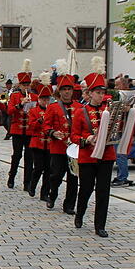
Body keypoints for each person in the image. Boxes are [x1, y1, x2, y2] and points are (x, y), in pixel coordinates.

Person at [71, 57, 116, 237]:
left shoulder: (110, 109)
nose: (100, 95)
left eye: (102, 91)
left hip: (106, 155)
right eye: (97, 92)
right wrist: (87, 138)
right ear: (89, 93)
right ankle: (80, 213)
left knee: (103, 192)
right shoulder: (81, 112)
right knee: (86, 188)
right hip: (88, 156)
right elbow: (73, 136)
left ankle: (100, 225)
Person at [43, 60, 79, 213]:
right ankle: (52, 195)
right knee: (56, 175)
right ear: (59, 91)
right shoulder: (53, 107)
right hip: (58, 147)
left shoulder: (80, 107)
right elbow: (46, 126)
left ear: (72, 90)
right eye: (64, 89)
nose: (66, 92)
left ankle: (69, 205)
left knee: (73, 178)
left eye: (69, 89)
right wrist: (53, 133)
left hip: (75, 148)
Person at [7, 60, 34, 191]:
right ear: (20, 85)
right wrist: (21, 104)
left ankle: (27, 182)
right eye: (24, 84)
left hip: (29, 131)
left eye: (28, 84)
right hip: (17, 130)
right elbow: (9, 111)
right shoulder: (14, 96)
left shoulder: (34, 96)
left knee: (29, 158)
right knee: (17, 155)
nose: (26, 87)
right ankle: (11, 177)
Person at [26, 81, 52, 202]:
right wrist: (40, 120)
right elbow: (31, 126)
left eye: (47, 99)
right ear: (39, 99)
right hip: (37, 143)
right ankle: (32, 185)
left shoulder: (52, 110)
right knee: (38, 167)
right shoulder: (33, 111)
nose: (45, 102)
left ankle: (45, 193)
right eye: (43, 99)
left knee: (48, 169)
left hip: (49, 144)